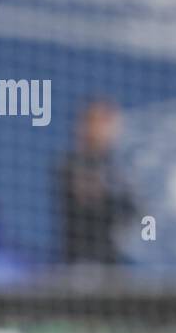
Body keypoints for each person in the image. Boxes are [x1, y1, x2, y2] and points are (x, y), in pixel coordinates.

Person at [59, 98, 137, 264]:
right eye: (97, 121)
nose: (104, 128)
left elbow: (139, 215)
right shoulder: (70, 165)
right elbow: (87, 197)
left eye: (107, 121)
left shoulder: (122, 169)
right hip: (80, 265)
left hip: (113, 267)